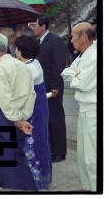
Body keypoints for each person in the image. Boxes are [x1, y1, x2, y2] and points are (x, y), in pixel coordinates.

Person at [0, 33, 37, 190]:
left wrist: (17, 120)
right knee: (19, 158)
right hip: (20, 115)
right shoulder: (23, 66)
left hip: (5, 117)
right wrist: (23, 118)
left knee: (6, 163)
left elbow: (5, 100)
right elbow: (31, 95)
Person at [61, 22, 97, 191]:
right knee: (83, 156)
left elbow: (83, 84)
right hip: (83, 110)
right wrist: (75, 74)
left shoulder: (95, 55)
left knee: (92, 156)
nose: (71, 39)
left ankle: (97, 189)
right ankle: (88, 188)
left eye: (74, 36)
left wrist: (74, 75)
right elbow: (65, 73)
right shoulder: (83, 55)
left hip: (93, 111)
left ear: (83, 37)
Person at [15, 36, 52, 190]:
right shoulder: (34, 63)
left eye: (16, 48)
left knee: (33, 144)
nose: (15, 51)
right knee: (40, 141)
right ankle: (42, 178)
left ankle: (36, 180)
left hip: (32, 112)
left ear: (21, 51)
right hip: (39, 110)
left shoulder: (28, 69)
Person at [30, 16, 67, 162]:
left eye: (35, 25)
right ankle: (51, 149)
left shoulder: (55, 40)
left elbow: (58, 65)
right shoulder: (38, 41)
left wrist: (56, 86)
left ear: (43, 26)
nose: (32, 28)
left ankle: (59, 152)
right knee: (47, 119)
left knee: (55, 119)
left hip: (53, 87)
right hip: (43, 86)